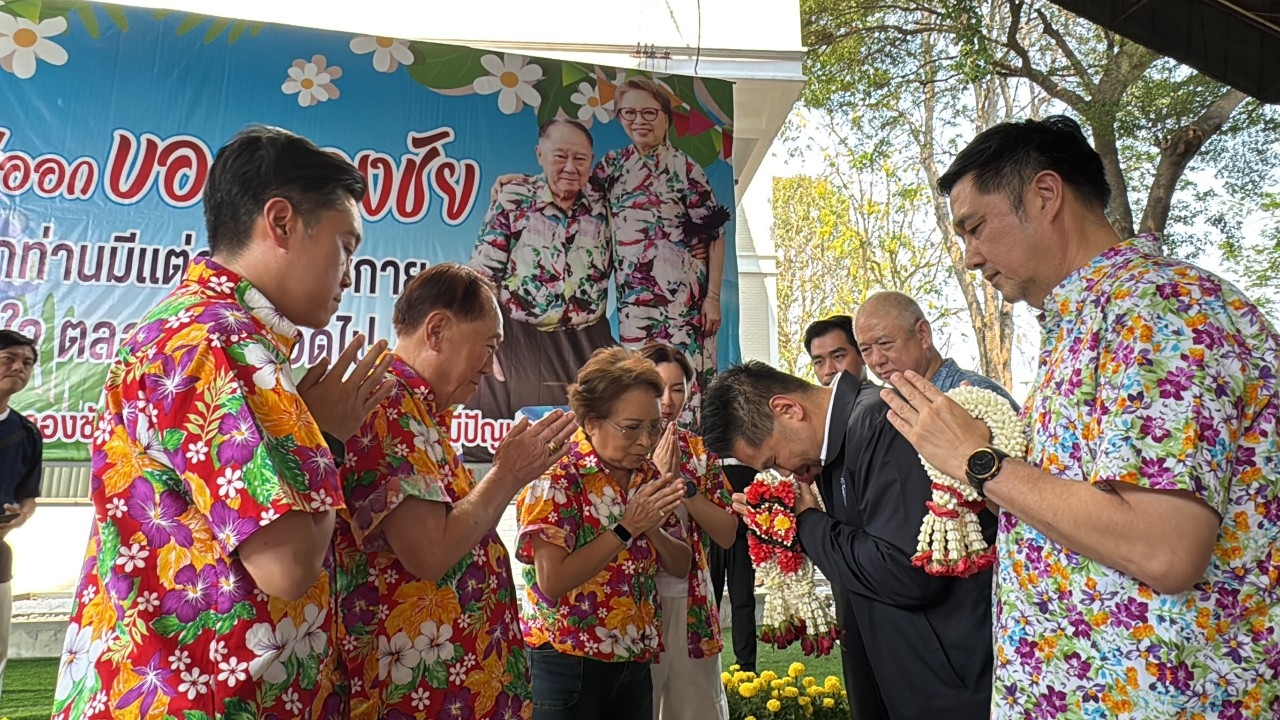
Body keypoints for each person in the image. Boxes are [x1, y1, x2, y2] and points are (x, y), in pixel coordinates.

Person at [883, 115, 1280, 718]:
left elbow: (1164, 548)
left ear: (1046, 195)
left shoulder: (1158, 309)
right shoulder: (1090, 318)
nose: (970, 258)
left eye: (976, 227)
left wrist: (979, 461)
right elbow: (1086, 513)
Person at [52, 126, 396, 720]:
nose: (350, 275)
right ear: (282, 222)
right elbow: (286, 568)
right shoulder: (223, 341)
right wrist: (328, 436)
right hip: (202, 695)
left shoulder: (197, 328)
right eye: (346, 246)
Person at [333, 262, 579, 719]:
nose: (492, 368)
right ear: (438, 330)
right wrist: (506, 474)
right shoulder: (388, 405)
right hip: (419, 694)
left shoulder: (419, 411)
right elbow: (430, 552)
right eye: (487, 348)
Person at [701, 361, 995, 719]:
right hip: (907, 669)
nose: (782, 474)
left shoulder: (878, 425)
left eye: (774, 460)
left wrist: (807, 522)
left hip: (947, 680)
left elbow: (907, 572)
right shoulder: (838, 446)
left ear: (788, 409)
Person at [515, 347, 691, 720]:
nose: (645, 441)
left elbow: (681, 564)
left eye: (653, 427)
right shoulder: (557, 477)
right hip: (568, 661)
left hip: (634, 659)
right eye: (631, 428)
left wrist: (652, 527)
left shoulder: (647, 476)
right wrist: (627, 528)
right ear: (591, 422)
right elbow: (553, 580)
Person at [593, 77, 729, 428]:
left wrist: (712, 297)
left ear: (667, 118)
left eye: (649, 112)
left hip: (683, 304)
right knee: (641, 383)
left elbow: (715, 234)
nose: (639, 121)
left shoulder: (686, 169)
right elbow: (577, 202)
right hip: (635, 305)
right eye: (629, 113)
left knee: (686, 388)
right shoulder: (612, 167)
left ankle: (689, 469)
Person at [467, 119, 615, 426]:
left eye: (580, 159)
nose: (571, 167)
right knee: (505, 433)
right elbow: (482, 275)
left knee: (590, 434)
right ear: (540, 155)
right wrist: (481, 338)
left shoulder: (608, 205)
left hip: (586, 340)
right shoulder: (514, 199)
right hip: (516, 339)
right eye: (560, 156)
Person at [637, 341, 738, 720]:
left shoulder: (698, 452)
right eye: (656, 387)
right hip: (633, 605)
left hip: (691, 601)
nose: (667, 400)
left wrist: (683, 485)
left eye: (677, 388)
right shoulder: (617, 451)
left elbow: (727, 533)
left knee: (696, 707)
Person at [855, 291, 1014, 402]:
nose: (877, 360)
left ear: (923, 334)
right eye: (866, 350)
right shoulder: (891, 407)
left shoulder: (975, 394)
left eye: (885, 344)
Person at [0, 330, 40, 702]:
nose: (18, 368)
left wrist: (18, 517)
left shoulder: (27, 433)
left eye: (26, 363)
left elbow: (28, 499)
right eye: (8, 359)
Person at [708, 461, 758, 673]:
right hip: (710, 532)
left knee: (744, 600)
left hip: (743, 534)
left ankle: (746, 667)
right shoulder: (703, 443)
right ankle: (705, 663)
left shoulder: (747, 440)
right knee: (708, 602)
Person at [803, 315, 865, 386]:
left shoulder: (878, 396)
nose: (828, 371)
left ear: (862, 354)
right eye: (819, 362)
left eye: (838, 356)